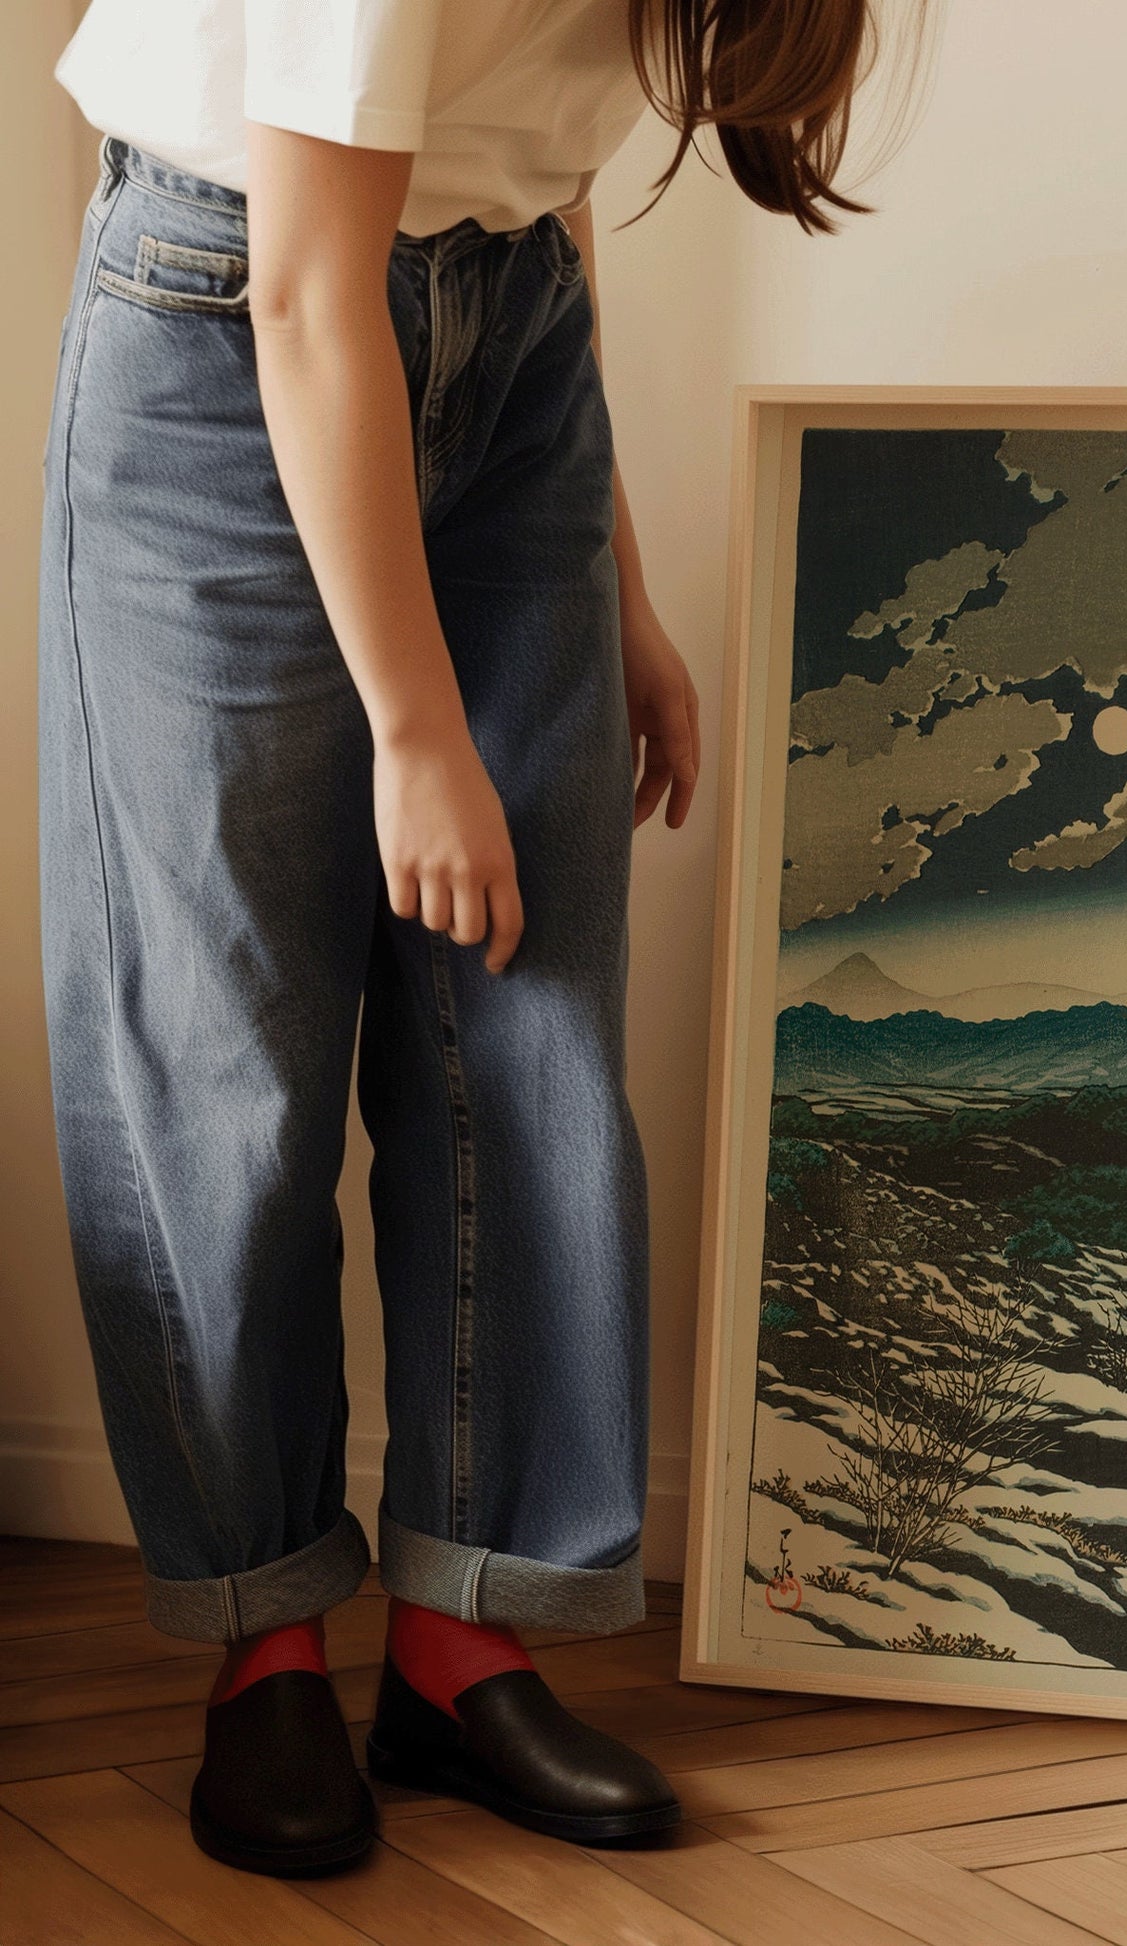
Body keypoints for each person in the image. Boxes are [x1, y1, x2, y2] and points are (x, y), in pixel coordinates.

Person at [41, 0, 895, 1879]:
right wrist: (417, 734)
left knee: (524, 1029)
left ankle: (457, 1637)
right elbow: (305, 294)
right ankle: (264, 1639)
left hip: (507, 345)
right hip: (224, 329)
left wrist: (620, 579)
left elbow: (531, 177)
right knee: (225, 1052)